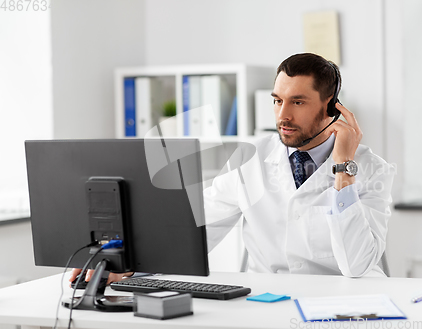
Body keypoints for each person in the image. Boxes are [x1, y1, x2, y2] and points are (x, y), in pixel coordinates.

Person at [70, 53, 394, 284]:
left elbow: (356, 266)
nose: (282, 115)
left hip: (344, 303)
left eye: (297, 102)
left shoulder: (372, 170)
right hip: (267, 304)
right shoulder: (251, 156)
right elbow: (193, 232)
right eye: (277, 100)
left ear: (332, 108)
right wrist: (124, 266)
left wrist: (343, 169)